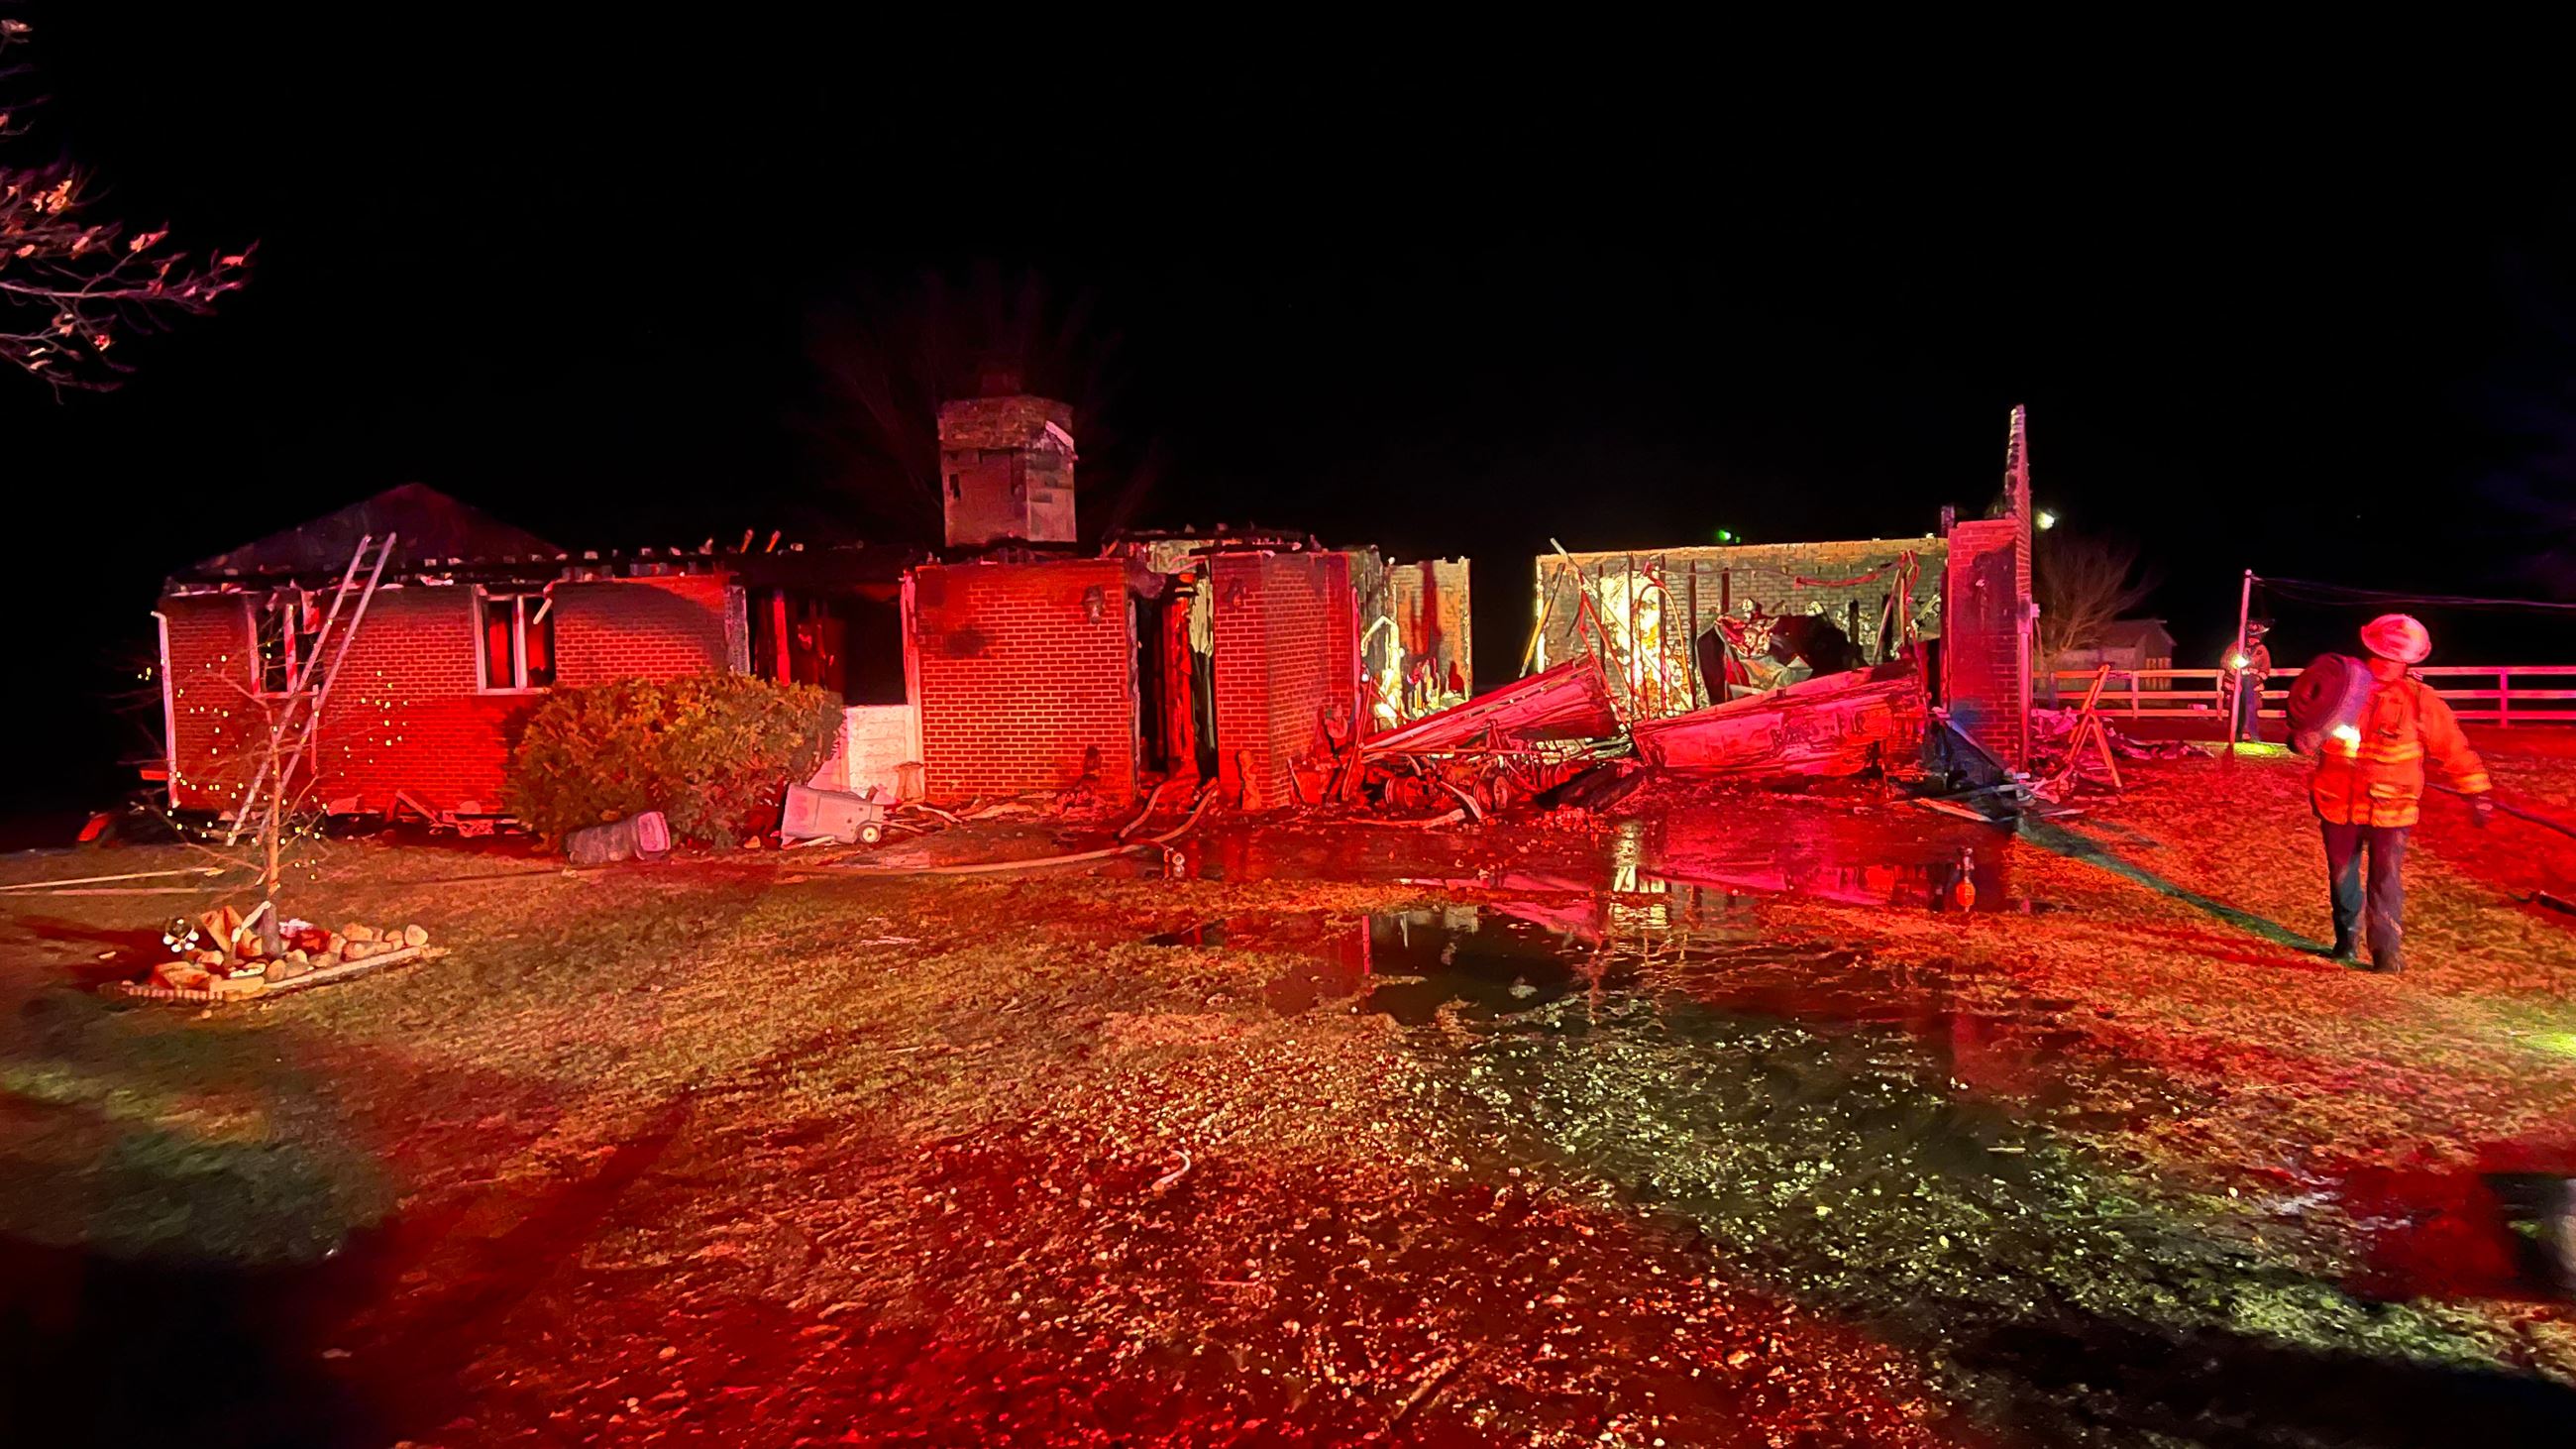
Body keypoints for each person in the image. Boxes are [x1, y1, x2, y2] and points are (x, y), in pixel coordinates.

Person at [2309, 613, 2494, 971]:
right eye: (2382, 654)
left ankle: (2385, 954)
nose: (2387, 664)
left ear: (2408, 661)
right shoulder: (2342, 688)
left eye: (2395, 658)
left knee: (2385, 880)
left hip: (2390, 810)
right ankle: (2346, 940)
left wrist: (2477, 791)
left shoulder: (2420, 700)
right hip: (2337, 804)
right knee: (2341, 876)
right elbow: (2308, 727)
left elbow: (2452, 748)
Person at [2222, 620, 2273, 742]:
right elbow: (2225, 662)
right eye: (2250, 636)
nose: (2253, 640)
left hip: (2252, 686)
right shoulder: (2235, 647)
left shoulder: (2262, 650)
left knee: (2251, 709)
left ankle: (2251, 733)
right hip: (2236, 684)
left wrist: (2256, 678)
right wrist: (2235, 671)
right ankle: (2236, 734)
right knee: (2236, 710)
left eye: (2256, 637)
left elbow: (2265, 670)